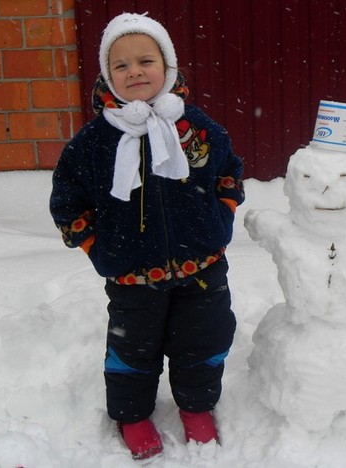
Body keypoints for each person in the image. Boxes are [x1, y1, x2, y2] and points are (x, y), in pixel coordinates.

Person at [49, 12, 245, 460]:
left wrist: (223, 214)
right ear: (107, 76)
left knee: (204, 340)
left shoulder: (197, 128)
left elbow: (230, 171)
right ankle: (132, 413)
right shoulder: (93, 143)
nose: (135, 71)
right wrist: (97, 246)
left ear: (167, 66)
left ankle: (196, 406)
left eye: (145, 60)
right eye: (121, 65)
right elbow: (67, 202)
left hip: (203, 268)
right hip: (131, 277)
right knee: (132, 350)